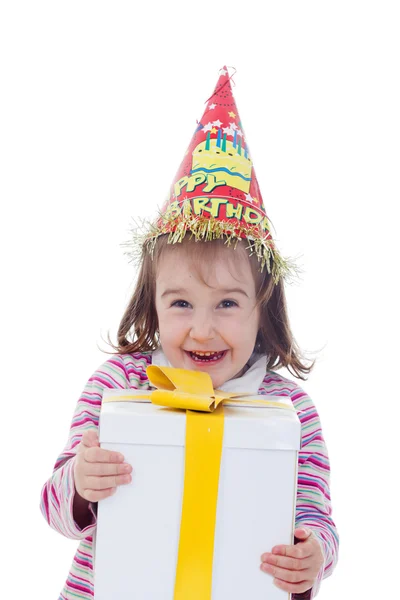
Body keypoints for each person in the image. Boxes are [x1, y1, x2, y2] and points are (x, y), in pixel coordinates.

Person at [40, 66, 339, 600]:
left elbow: (318, 523)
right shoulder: (116, 383)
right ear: (152, 305)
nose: (203, 328)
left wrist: (311, 554)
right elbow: (56, 510)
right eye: (181, 303)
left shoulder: (291, 408)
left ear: (262, 309)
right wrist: (82, 484)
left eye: (227, 302)